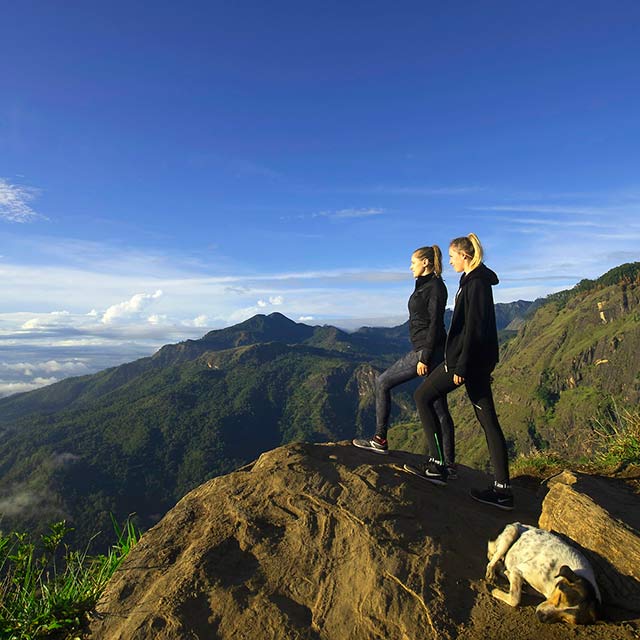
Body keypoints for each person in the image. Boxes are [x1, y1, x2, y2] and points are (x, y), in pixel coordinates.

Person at [404, 233, 513, 510]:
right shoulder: (476, 281)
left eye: (453, 258)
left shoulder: (475, 283)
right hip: (476, 362)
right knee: (488, 421)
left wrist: (461, 366)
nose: (450, 262)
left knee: (422, 397)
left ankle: (437, 465)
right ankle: (502, 489)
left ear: (464, 256)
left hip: (465, 362)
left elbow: (473, 328)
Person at [352, 245, 456, 476]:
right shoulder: (426, 285)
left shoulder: (436, 287)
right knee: (439, 406)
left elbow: (436, 324)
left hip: (425, 351)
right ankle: (448, 463)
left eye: (413, 262)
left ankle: (380, 439)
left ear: (426, 263)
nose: (410, 267)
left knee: (382, 382)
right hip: (428, 350)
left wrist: (425, 357)